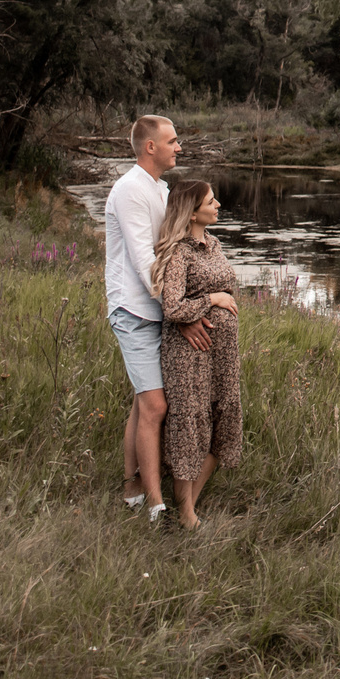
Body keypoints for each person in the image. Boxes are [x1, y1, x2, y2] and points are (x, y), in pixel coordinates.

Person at [102, 114, 210, 522]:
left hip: (155, 310)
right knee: (155, 406)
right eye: (173, 141)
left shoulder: (159, 189)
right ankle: (155, 504)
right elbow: (144, 258)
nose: (179, 147)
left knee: (142, 402)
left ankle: (131, 486)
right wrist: (180, 310)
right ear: (151, 147)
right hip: (134, 309)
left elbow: (171, 250)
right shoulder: (130, 189)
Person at [151, 178, 242, 527]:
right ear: (191, 213)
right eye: (210, 201)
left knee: (221, 423)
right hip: (189, 355)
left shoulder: (214, 245)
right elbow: (172, 307)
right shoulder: (179, 253)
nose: (218, 205)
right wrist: (213, 300)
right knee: (191, 426)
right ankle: (186, 513)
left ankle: (188, 502)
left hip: (221, 355)